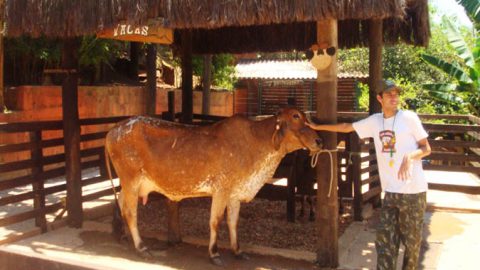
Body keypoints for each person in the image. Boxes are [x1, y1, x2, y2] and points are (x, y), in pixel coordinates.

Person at [307, 80, 431, 270]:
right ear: (379, 98)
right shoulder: (375, 121)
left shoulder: (409, 117)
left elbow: (426, 148)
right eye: (389, 94)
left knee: (412, 244)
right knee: (385, 242)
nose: (394, 97)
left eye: (396, 94)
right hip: (390, 193)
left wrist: (411, 156)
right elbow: (347, 127)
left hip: (414, 192)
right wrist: (318, 127)